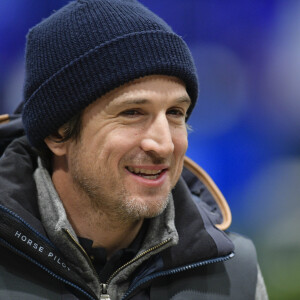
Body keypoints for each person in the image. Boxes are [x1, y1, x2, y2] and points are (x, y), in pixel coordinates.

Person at [0, 0, 268, 299]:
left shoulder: (234, 273)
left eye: (175, 113)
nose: (164, 144)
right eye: (132, 112)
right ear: (57, 133)